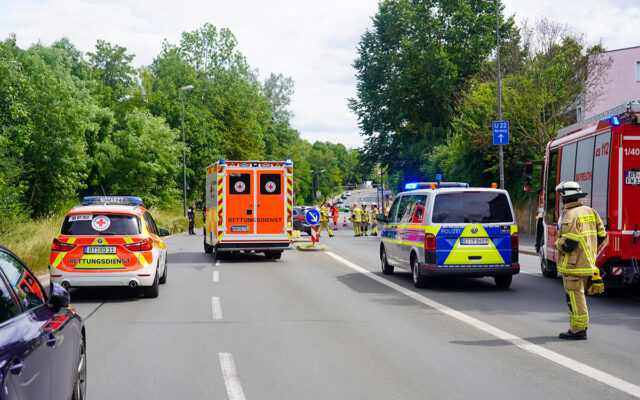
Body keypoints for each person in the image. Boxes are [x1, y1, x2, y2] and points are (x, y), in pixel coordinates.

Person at [554, 181, 606, 340]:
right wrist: (588, 250)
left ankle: (578, 329)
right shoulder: (591, 211)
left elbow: (569, 243)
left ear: (565, 197)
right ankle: (576, 326)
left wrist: (557, 244)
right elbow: (602, 235)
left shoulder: (570, 215)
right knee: (578, 295)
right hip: (587, 262)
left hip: (573, 264)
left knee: (575, 297)